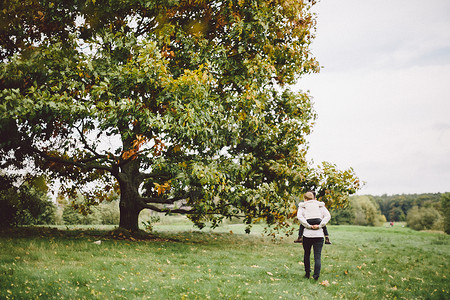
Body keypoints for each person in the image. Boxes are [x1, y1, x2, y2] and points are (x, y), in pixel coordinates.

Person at [297, 191, 331, 280]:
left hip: (307, 235)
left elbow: (299, 217)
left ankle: (307, 274)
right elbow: (328, 216)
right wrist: (320, 225)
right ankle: (316, 276)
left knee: (307, 254)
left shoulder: (303, 206)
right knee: (317, 256)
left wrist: (308, 226)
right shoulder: (320, 206)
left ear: (305, 199)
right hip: (319, 235)